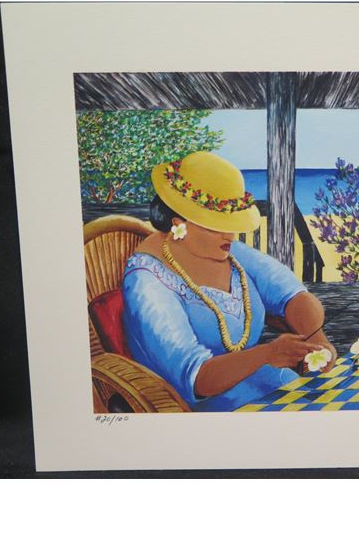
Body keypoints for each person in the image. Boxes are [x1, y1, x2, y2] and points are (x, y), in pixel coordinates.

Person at [122, 151, 336, 412]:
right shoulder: (147, 283)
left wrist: (317, 339)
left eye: (231, 224)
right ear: (179, 225)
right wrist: (267, 354)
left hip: (258, 383)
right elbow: (196, 379)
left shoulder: (225, 251)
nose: (231, 236)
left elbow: (291, 293)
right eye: (215, 226)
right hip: (193, 409)